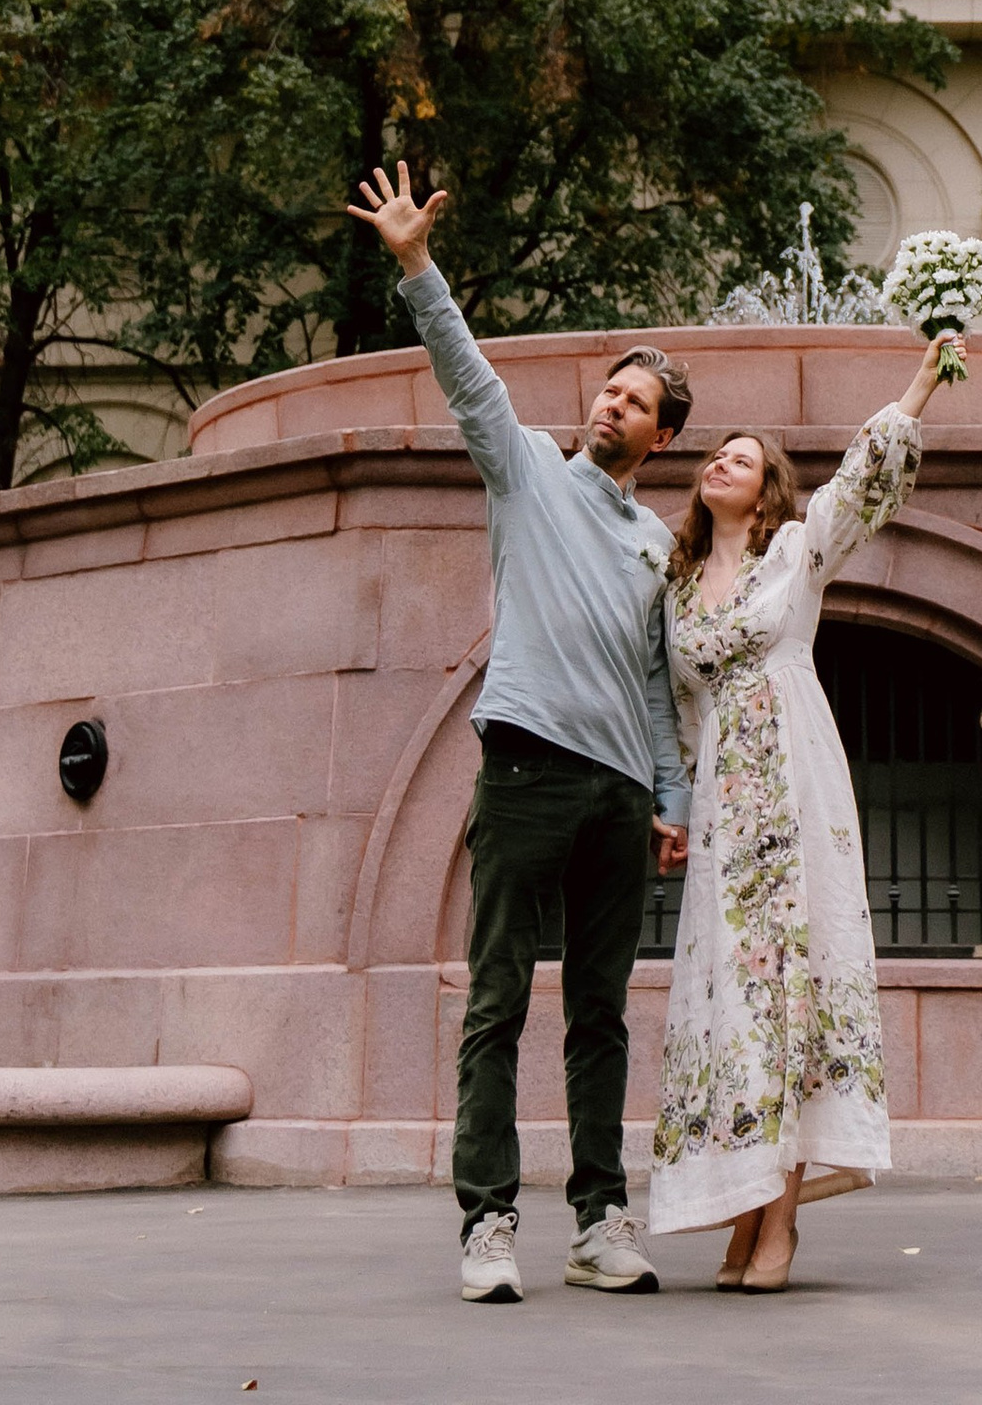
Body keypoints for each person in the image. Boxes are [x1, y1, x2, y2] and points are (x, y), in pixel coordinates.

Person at [348, 159, 692, 1308]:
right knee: (497, 1001)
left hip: (613, 799)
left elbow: (655, 686)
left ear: (659, 437)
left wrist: (670, 799)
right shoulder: (528, 473)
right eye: (608, 390)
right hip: (526, 770)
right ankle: (487, 1223)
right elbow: (469, 377)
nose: (610, 405)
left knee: (598, 1014)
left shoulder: (656, 545)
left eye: (634, 404)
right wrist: (415, 265)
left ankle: (599, 1222)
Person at [647, 335, 956, 1289]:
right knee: (733, 997)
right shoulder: (677, 587)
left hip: (793, 779)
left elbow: (864, 482)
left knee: (789, 980)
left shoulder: (796, 551)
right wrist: (675, 807)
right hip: (723, 802)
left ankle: (776, 1224)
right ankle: (744, 1212)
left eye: (741, 457)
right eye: (713, 454)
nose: (721, 463)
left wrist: (921, 383)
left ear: (769, 486)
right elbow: (680, 705)